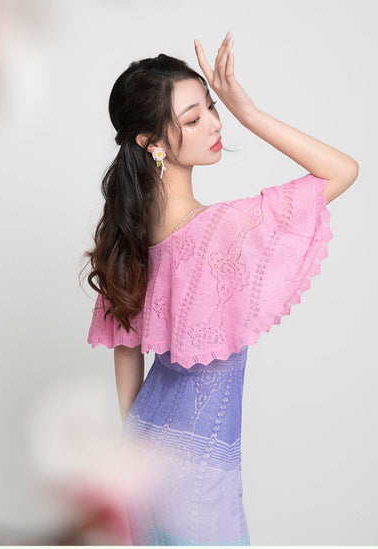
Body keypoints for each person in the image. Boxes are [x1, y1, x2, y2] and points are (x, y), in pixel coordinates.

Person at [83, 30, 359, 546]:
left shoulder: (128, 236)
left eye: (213, 108)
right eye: (193, 119)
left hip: (141, 453)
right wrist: (249, 113)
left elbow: (125, 349)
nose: (215, 123)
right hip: (200, 475)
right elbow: (343, 170)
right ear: (151, 143)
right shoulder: (224, 229)